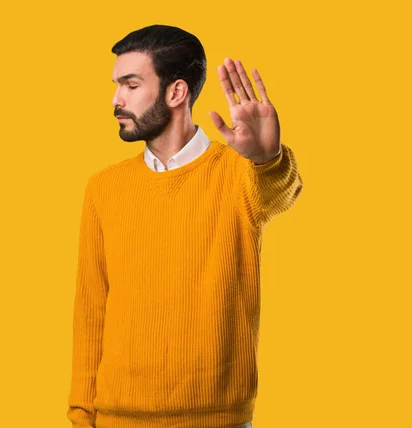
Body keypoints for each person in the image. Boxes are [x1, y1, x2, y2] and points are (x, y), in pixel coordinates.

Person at [66, 24, 303, 428]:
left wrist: (268, 158)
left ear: (176, 92)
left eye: (130, 85)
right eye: (116, 85)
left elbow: (279, 193)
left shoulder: (238, 173)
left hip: (218, 421)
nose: (116, 99)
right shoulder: (103, 187)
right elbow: (92, 311)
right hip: (115, 420)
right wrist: (80, 415)